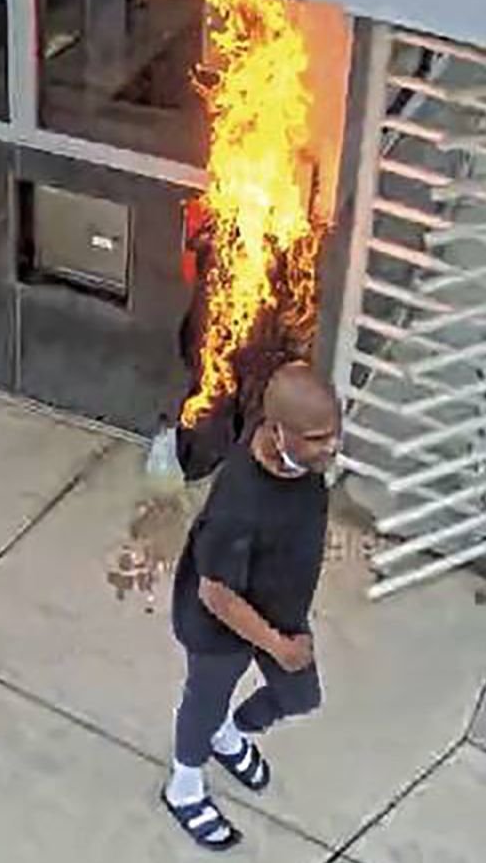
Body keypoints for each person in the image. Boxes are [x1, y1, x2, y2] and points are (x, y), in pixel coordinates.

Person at [162, 361, 342, 851]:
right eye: (316, 438)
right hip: (221, 627)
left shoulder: (301, 465)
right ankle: (184, 786)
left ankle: (229, 731)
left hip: (279, 612)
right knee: (206, 698)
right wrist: (278, 646)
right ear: (276, 431)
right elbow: (215, 594)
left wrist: (285, 633)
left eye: (333, 435)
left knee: (300, 696)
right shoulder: (238, 502)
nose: (330, 448)